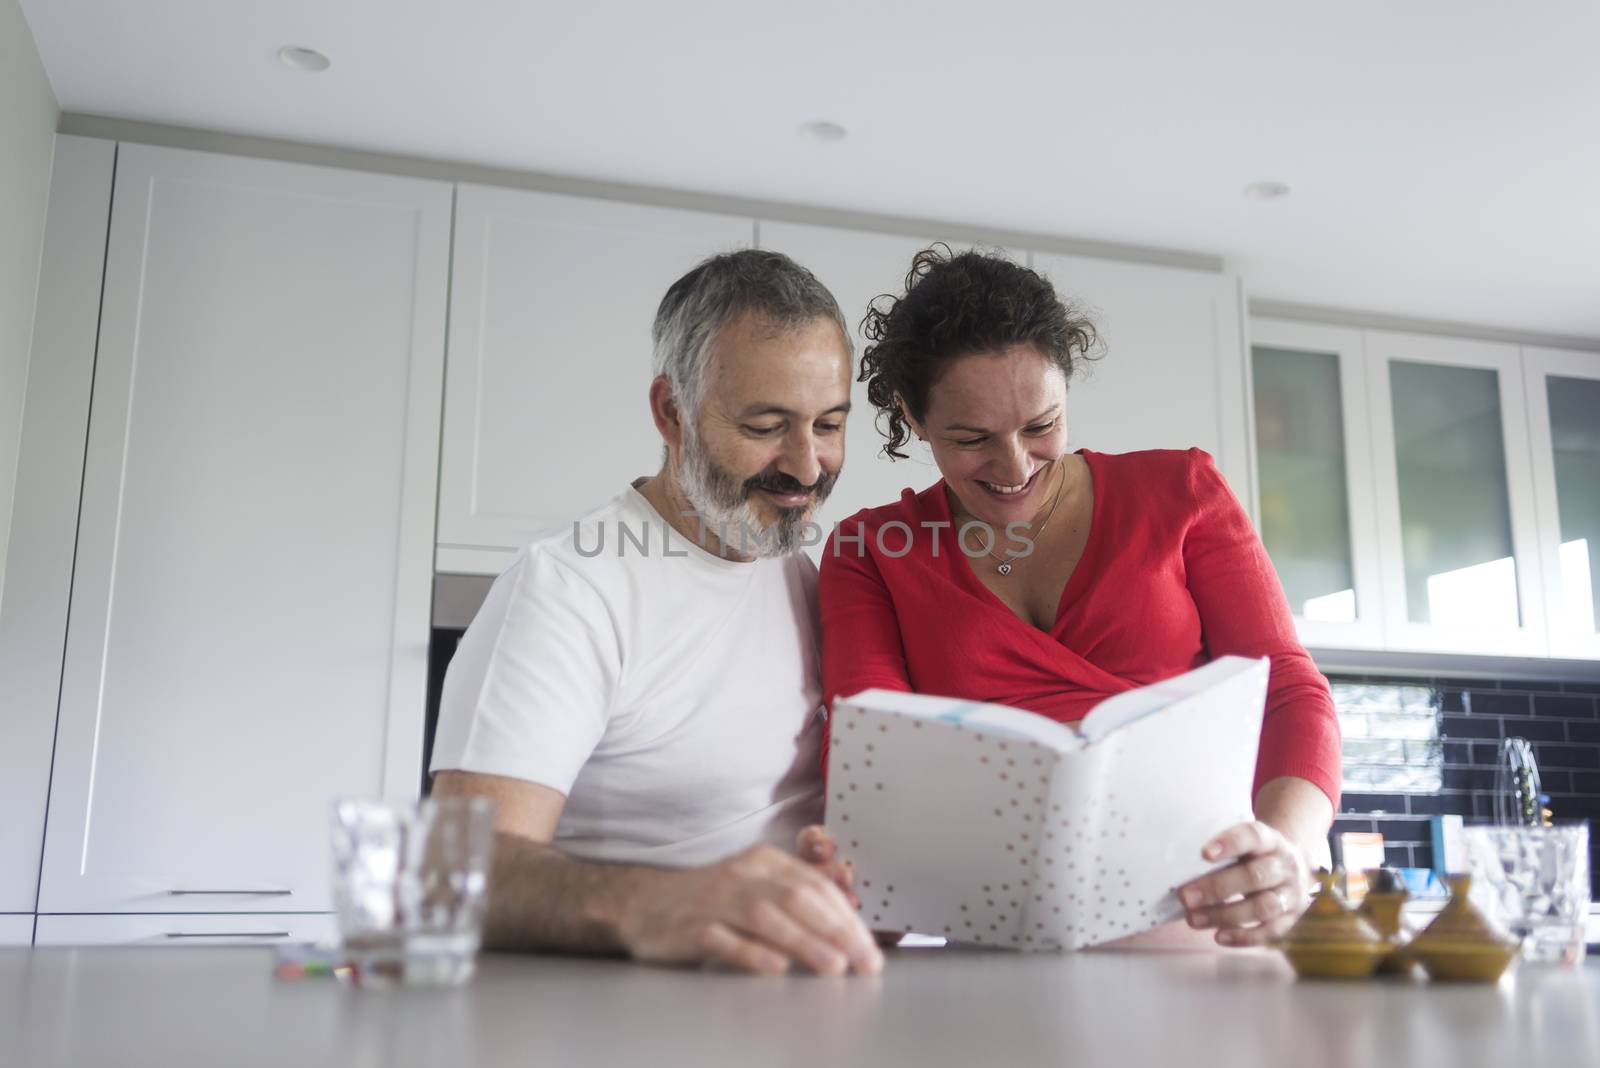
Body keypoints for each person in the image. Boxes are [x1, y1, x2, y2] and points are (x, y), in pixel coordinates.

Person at [817, 246, 1342, 948]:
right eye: (971, 439)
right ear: (912, 416)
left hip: (1208, 940)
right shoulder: (870, 552)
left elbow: (1290, 691)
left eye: (1041, 426)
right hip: (992, 964)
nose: (1014, 467)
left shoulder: (1180, 491)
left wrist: (1289, 850)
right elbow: (870, 763)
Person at [431, 249, 882, 976]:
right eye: (767, 425)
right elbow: (454, 872)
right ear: (672, 412)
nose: (806, 467)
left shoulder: (801, 574)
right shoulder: (570, 586)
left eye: (829, 425)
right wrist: (660, 903)